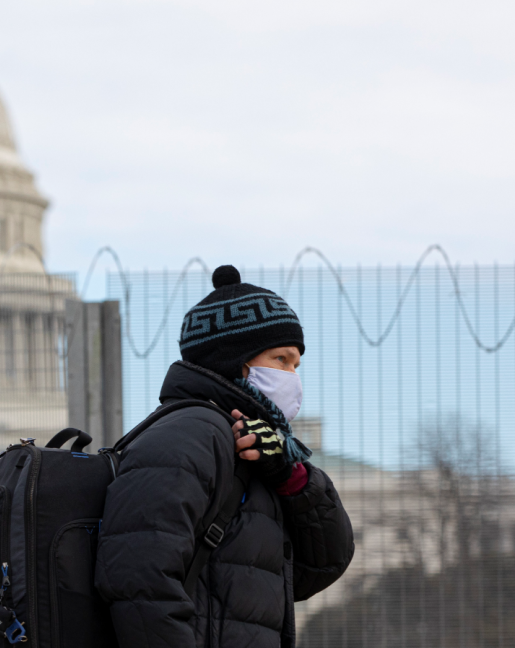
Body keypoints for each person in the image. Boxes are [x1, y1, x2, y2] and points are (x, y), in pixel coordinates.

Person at [95, 265, 354, 648]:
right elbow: (138, 579)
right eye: (281, 360)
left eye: (297, 364)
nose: (293, 377)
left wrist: (291, 475)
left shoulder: (259, 447)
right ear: (236, 361)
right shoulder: (190, 435)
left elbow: (313, 569)